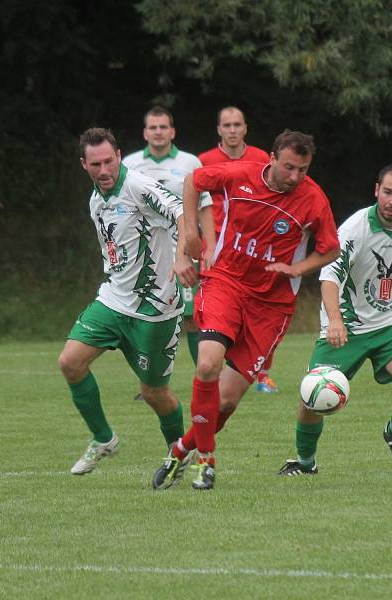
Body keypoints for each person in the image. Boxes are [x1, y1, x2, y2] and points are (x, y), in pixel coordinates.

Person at [154, 130, 341, 491]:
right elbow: (194, 180)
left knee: (225, 400)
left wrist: (298, 270)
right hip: (226, 280)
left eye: (302, 169)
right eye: (288, 167)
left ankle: (182, 449)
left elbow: (330, 249)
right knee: (207, 363)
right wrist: (191, 232)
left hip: (271, 307)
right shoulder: (241, 174)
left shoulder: (313, 199)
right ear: (271, 157)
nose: (294, 176)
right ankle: (206, 461)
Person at [278, 163, 392, 476]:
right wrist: (335, 320)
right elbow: (329, 275)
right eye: (388, 192)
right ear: (377, 190)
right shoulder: (353, 228)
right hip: (347, 326)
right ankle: (305, 462)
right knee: (312, 394)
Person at [58, 127, 196, 478]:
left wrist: (182, 258)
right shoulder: (96, 201)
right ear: (83, 165)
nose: (104, 170)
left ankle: (178, 450)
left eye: (109, 161)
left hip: (155, 308)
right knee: (70, 362)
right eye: (95, 164)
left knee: (153, 393)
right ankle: (103, 439)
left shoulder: (139, 186)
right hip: (115, 299)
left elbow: (182, 213)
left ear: (119, 156)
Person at [122, 106, 215, 370]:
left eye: (163, 127)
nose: (158, 132)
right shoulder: (130, 165)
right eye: (153, 127)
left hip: (183, 250)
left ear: (172, 131)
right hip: (146, 254)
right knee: (147, 317)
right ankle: (151, 379)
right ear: (145, 133)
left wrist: (210, 246)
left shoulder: (189, 162)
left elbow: (204, 205)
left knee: (192, 316)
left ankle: (203, 377)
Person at [199, 106, 280, 393]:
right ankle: (217, 364)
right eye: (227, 125)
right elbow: (198, 200)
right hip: (217, 249)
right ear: (218, 129)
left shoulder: (261, 159)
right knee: (215, 310)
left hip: (253, 249)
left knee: (258, 311)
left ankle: (263, 373)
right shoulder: (205, 161)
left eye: (237, 125)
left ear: (246, 128)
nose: (232, 130)